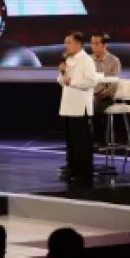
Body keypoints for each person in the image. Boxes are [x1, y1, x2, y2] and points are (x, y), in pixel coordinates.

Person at [57, 31, 97, 185]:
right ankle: (72, 167)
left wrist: (71, 82)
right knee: (71, 141)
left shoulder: (86, 60)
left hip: (80, 107)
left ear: (78, 44)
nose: (66, 45)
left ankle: (84, 171)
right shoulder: (69, 60)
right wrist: (62, 73)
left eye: (69, 42)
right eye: (65, 42)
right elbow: (61, 80)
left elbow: (91, 81)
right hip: (68, 105)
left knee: (81, 142)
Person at [89, 32, 121, 146]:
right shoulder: (88, 60)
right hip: (89, 94)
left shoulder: (114, 61)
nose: (93, 46)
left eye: (96, 43)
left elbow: (114, 84)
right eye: (92, 43)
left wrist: (102, 94)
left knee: (96, 110)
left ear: (105, 45)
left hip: (106, 96)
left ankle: (100, 142)